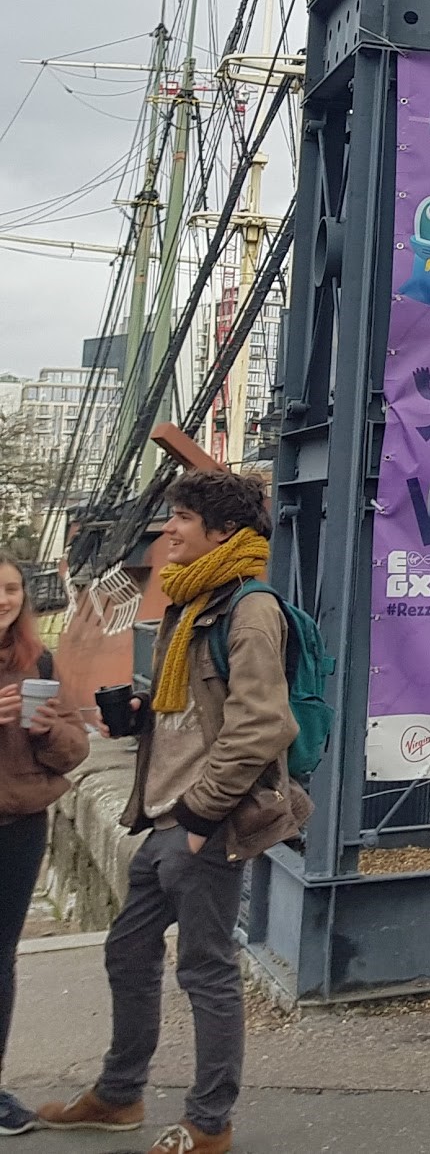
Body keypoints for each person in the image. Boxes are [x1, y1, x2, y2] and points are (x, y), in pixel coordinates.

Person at [42, 470, 309, 1154]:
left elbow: (262, 725)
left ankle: (210, 1122)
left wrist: (199, 818)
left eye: (184, 518)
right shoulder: (193, 599)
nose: (170, 531)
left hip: (203, 822)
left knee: (206, 969)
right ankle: (119, 1094)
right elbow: (194, 711)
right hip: (164, 814)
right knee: (128, 949)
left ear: (223, 532)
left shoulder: (250, 609)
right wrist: (139, 715)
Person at [0, 555, 88, 1133]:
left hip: (18, 830)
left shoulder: (39, 661)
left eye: (11, 588)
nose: (3, 599)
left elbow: (76, 749)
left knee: (0, 959)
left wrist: (48, 729)